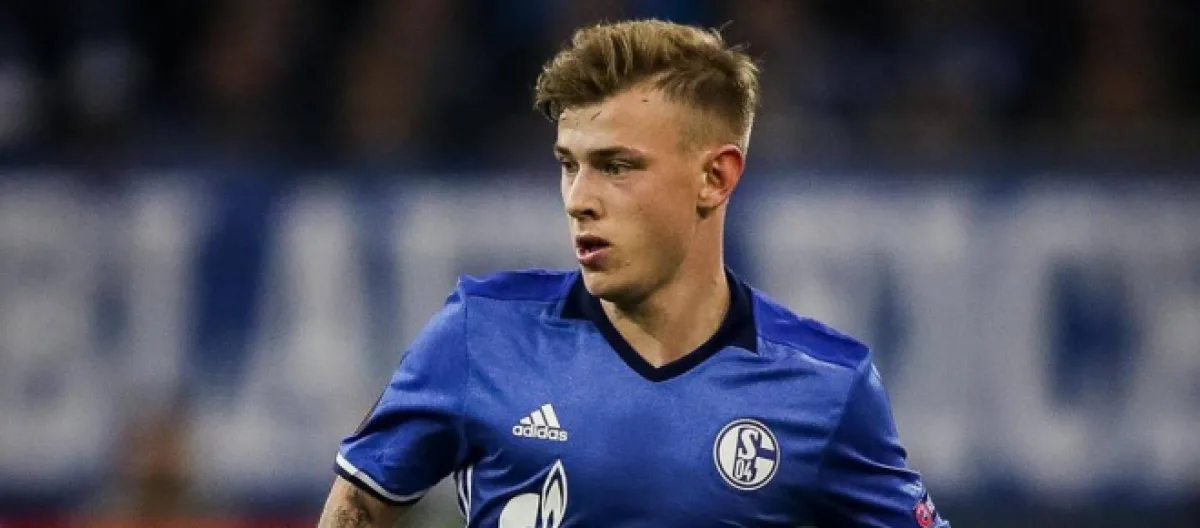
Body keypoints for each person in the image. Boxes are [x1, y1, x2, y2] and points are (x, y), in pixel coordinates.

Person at [318, 19, 949, 527]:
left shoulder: (825, 387)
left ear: (715, 177)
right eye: (569, 164)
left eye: (617, 166)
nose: (578, 199)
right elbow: (359, 506)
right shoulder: (479, 334)